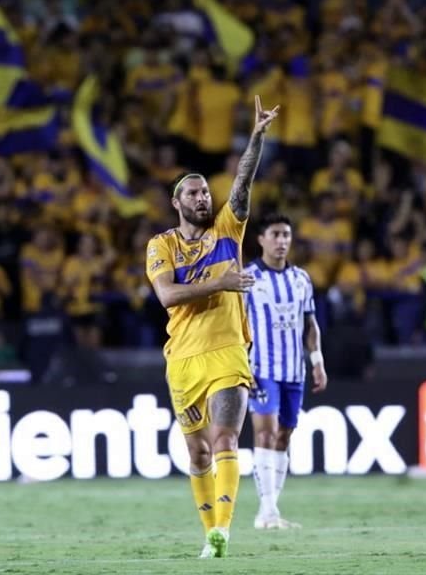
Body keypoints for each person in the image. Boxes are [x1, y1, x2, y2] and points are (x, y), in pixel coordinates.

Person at [146, 96, 279, 559]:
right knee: (198, 454)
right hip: (182, 357)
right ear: (176, 202)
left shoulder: (229, 229)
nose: (203, 198)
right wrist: (219, 281)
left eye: (205, 192)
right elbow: (166, 296)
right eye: (194, 193)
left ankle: (220, 532)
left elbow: (242, 181)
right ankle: (209, 533)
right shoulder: (160, 245)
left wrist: (256, 137)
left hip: (227, 350)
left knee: (225, 440)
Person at [245, 213, 328, 530]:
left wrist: (317, 361)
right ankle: (266, 513)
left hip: (295, 370)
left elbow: (310, 324)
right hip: (261, 368)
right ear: (262, 239)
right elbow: (235, 326)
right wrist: (242, 362)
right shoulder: (248, 277)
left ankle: (271, 511)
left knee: (283, 437)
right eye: (275, 234)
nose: (282, 241)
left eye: (286, 235)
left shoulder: (301, 279)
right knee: (264, 433)